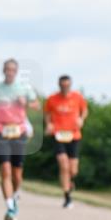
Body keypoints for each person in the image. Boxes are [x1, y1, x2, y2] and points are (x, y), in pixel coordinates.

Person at [0, 59, 39, 220]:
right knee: (5, 168)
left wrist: (27, 103)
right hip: (1, 130)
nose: (9, 72)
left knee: (17, 172)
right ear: (3, 70)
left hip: (19, 131)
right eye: (7, 69)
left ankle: (16, 193)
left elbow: (37, 105)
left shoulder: (24, 88)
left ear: (16, 71)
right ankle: (10, 207)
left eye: (12, 70)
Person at [44, 75, 88, 208]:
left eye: (67, 85)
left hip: (74, 135)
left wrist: (81, 119)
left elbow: (84, 110)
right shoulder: (52, 99)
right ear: (59, 85)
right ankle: (67, 197)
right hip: (58, 135)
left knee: (73, 169)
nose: (64, 88)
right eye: (62, 85)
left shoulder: (78, 97)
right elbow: (47, 114)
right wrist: (49, 124)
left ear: (70, 85)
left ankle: (70, 181)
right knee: (64, 165)